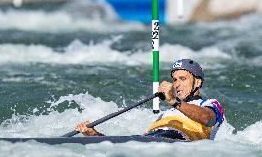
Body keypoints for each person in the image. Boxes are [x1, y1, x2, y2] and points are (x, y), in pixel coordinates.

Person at [75, 59, 224, 141]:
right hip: (151, 143)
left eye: (183, 79)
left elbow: (206, 119)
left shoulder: (209, 104)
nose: (176, 84)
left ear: (197, 83)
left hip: (178, 144)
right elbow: (133, 145)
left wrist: (174, 102)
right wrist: (94, 136)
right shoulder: (165, 115)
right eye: (174, 79)